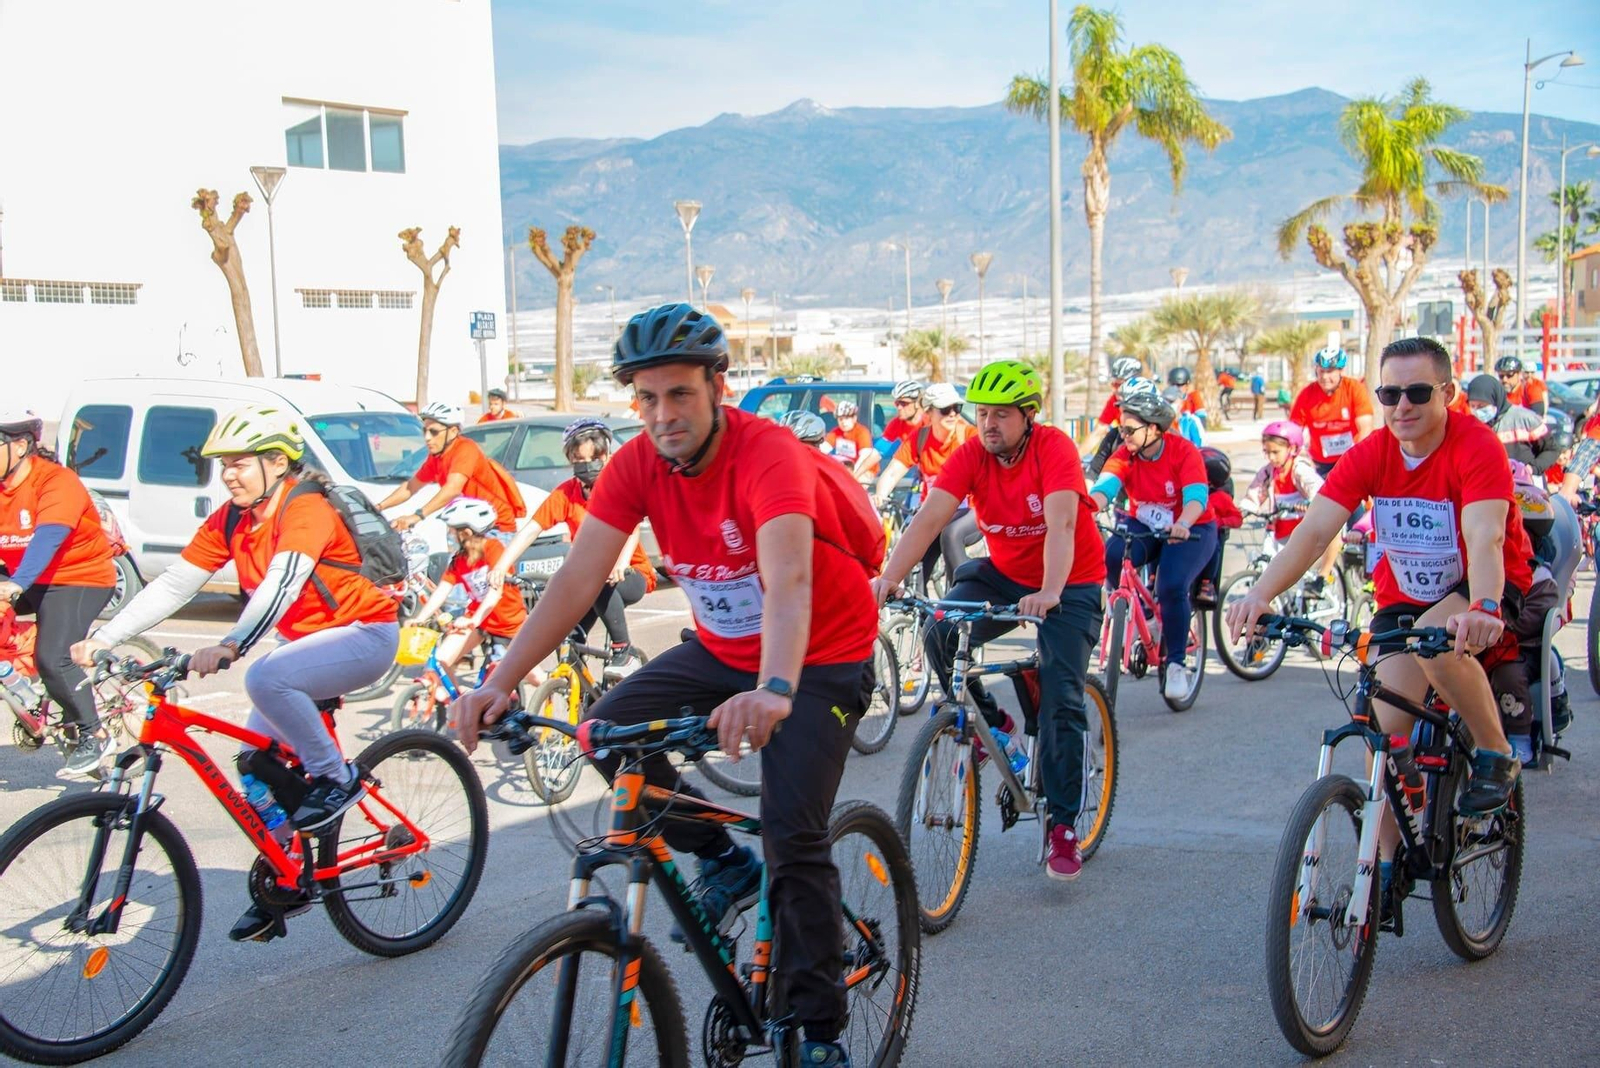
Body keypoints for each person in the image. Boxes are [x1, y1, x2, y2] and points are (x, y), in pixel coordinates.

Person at [451, 302, 877, 1066]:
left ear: (718, 386)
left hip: (818, 653)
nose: (662, 415)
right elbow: (580, 577)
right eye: (646, 398)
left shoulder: (768, 453)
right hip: (723, 650)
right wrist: (501, 681)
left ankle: (817, 1031)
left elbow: (786, 578)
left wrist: (776, 688)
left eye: (679, 394)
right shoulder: (636, 464)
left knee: (792, 832)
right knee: (607, 735)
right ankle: (719, 858)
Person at [73, 404, 401, 942]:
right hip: (306, 643)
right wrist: (104, 638)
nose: (227, 474)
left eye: (240, 463)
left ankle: (338, 779)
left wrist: (231, 645)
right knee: (255, 767)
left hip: (364, 634)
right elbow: (178, 582)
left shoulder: (306, 508)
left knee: (265, 677)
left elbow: (281, 584)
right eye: (222, 463)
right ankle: (291, 877)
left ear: (277, 462)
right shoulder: (231, 517)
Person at [1227, 336, 1529, 830]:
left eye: (1417, 393)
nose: (1402, 406)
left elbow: (1486, 536)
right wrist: (1261, 593)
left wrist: (1487, 606)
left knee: (1436, 643)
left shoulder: (1477, 446)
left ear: (1448, 392)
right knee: (1385, 737)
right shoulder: (1373, 452)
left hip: (1481, 583)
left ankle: (1496, 753)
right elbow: (1316, 530)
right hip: (1405, 594)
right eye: (1390, 395)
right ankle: (1380, 884)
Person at [871, 360, 1105, 880]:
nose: (989, 424)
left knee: (1063, 700)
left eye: (1002, 414)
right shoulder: (973, 453)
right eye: (983, 414)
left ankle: (1063, 826)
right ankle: (993, 725)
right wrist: (887, 579)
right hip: (1004, 574)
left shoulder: (1055, 450)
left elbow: (1063, 523)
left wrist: (1050, 591)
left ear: (1028, 416)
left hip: (1069, 580)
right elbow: (930, 517)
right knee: (940, 626)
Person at [0, 409, 119, 778]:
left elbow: (48, 536)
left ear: (19, 446)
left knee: (52, 656)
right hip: (28, 576)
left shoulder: (56, 482)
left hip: (79, 577)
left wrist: (17, 584)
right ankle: (29, 694)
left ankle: (93, 734)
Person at [492, 418, 655, 677]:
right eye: (579, 459)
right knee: (566, 637)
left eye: (594, 457)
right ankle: (580, 697)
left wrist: (620, 562)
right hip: (591, 579)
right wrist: (501, 564)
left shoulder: (615, 486)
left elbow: (632, 527)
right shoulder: (566, 494)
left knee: (599, 579)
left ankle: (623, 651)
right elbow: (532, 529)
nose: (587, 465)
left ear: (606, 455)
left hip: (627, 574)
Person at [1089, 390, 1218, 701]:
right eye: (1121, 429)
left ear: (1155, 429)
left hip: (1191, 527)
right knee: (1112, 555)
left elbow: (1196, 498)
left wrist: (1184, 523)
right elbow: (1105, 489)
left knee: (1172, 586)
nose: (1124, 436)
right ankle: (1130, 613)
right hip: (1144, 524)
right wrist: (1085, 509)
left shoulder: (1183, 451)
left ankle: (1175, 663)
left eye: (1130, 430)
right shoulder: (1124, 455)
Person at [873, 382, 981, 584]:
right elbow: (893, 472)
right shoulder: (920, 438)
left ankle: (958, 600)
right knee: (911, 552)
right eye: (945, 409)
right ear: (929, 413)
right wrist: (881, 495)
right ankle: (921, 613)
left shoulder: (969, 436)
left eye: (956, 408)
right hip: (936, 513)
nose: (952, 414)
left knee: (951, 534)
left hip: (972, 511)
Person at [414, 497, 528, 687]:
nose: (449, 535)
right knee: (441, 661)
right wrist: (420, 618)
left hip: (508, 622)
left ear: (466, 532)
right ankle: (458, 708)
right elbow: (442, 591)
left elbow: (495, 592)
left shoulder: (493, 549)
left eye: (452, 531)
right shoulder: (459, 559)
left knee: (533, 677)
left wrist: (473, 620)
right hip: (477, 621)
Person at [374, 402, 526, 535]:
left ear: (453, 432)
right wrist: (379, 507)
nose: (427, 437)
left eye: (433, 432)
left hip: (494, 528)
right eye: (424, 431)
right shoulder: (436, 457)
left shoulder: (466, 449)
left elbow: (453, 488)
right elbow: (410, 487)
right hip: (465, 528)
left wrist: (417, 516)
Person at [1238, 421, 1339, 587]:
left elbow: (1318, 489)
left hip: (1303, 528)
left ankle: (1323, 577)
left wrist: (1308, 503)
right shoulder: (1267, 472)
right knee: (1267, 564)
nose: (1271, 457)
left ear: (1292, 449)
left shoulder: (1299, 469)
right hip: (1280, 527)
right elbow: (1255, 494)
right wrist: (1243, 510)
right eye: (1267, 452)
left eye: (1275, 452)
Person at [1289, 346, 1375, 477]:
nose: (1324, 377)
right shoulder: (1307, 394)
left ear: (1341, 371)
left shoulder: (1354, 388)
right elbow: (1294, 429)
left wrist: (1357, 458)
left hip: (1352, 458)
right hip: (1320, 461)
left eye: (1329, 372)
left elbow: (1365, 428)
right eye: (1321, 371)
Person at [1465, 374, 1558, 476]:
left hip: (1526, 485)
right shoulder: (1471, 428)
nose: (1477, 411)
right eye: (1473, 406)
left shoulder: (1525, 419)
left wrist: (1532, 468)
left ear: (1495, 400)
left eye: (1481, 406)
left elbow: (1551, 449)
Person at [824, 400, 880, 480]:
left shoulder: (862, 432)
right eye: (840, 419)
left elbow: (864, 457)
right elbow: (823, 449)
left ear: (854, 418)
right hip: (845, 469)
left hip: (864, 470)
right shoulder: (835, 432)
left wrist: (853, 475)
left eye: (847, 418)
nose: (843, 422)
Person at [881, 379, 928, 444]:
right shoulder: (895, 424)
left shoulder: (930, 424)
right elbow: (881, 449)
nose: (899, 407)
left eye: (904, 403)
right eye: (897, 403)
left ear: (917, 403)